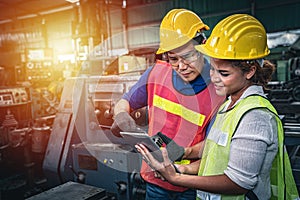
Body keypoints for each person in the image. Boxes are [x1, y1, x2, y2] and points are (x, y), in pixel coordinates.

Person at [135, 14, 300, 200]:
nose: (214, 78)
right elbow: (215, 151)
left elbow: (238, 183)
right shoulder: (230, 104)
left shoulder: (255, 117)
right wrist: (184, 158)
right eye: (212, 69)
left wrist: (176, 177)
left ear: (250, 71)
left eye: (223, 73)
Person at [110, 8, 225, 200]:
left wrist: (182, 159)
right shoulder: (156, 74)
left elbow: (214, 146)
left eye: (188, 56)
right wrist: (122, 116)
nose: (181, 66)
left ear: (202, 45)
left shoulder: (218, 89)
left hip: (192, 183)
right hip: (155, 181)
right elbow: (125, 101)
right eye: (173, 59)